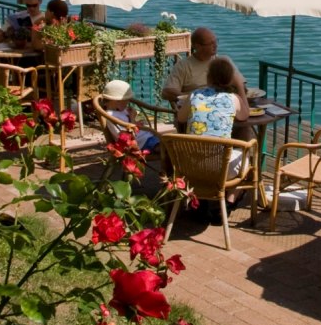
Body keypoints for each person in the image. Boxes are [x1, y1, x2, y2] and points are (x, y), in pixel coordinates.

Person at [176, 57, 250, 222]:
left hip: (190, 166)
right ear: (230, 78)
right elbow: (245, 115)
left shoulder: (195, 95)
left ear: (208, 77)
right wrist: (239, 87)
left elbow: (181, 119)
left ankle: (200, 200)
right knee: (247, 155)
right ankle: (229, 202)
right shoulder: (233, 99)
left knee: (203, 151)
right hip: (219, 169)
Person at [161, 27, 246, 104]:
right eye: (211, 43)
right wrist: (196, 97)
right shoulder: (183, 66)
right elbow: (167, 92)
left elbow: (241, 85)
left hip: (223, 107)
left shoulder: (223, 62)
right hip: (195, 110)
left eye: (216, 41)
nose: (215, 45)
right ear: (198, 46)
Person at [99, 79, 161, 155]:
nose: (128, 103)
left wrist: (136, 122)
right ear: (117, 101)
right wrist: (132, 117)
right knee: (166, 148)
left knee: (170, 143)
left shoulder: (122, 110)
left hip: (147, 138)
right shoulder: (111, 116)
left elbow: (132, 125)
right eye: (126, 100)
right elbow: (126, 137)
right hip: (140, 143)